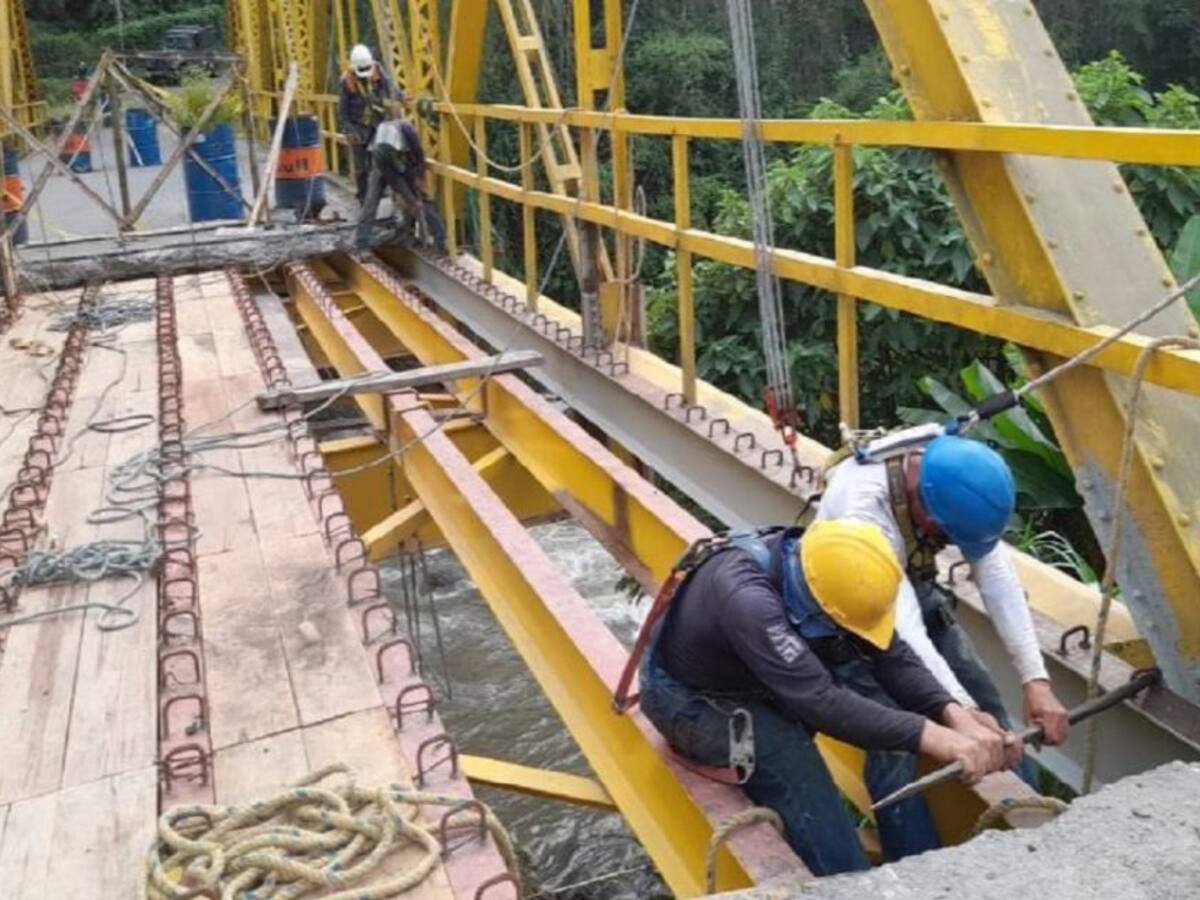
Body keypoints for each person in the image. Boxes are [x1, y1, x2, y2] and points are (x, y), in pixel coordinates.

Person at [638, 520, 1021, 875]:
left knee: (879, 712)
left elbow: (892, 656)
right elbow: (821, 702)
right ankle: (848, 880)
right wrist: (937, 737)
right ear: (819, 605)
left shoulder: (831, 572)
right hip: (691, 699)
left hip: (752, 677)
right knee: (792, 760)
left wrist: (956, 715)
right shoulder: (748, 601)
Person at [817, 435, 1069, 795]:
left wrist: (1036, 682)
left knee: (988, 704)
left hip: (911, 587)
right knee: (896, 738)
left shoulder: (951, 471)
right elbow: (905, 631)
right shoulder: (862, 511)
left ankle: (1032, 807)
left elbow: (997, 577)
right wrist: (961, 711)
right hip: (854, 616)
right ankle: (906, 827)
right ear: (929, 518)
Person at [355, 100, 446, 252]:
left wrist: (418, 178)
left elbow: (419, 157)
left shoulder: (408, 132)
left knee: (422, 201)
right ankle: (362, 244)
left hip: (406, 164)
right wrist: (410, 199)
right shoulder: (380, 150)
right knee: (370, 203)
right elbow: (395, 180)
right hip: (382, 169)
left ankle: (440, 241)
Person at [337, 44, 398, 201]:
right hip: (357, 125)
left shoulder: (377, 71)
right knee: (361, 167)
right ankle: (363, 196)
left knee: (380, 159)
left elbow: (390, 86)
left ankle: (378, 191)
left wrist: (401, 96)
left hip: (376, 122)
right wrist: (348, 129)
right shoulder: (346, 81)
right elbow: (342, 110)